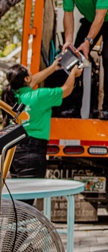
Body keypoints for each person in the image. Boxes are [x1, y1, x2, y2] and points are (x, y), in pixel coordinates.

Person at [2, 61, 82, 203]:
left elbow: (33, 81)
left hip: (14, 151)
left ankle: (14, 224)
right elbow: (66, 89)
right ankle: (17, 225)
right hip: (32, 152)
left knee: (18, 201)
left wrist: (53, 68)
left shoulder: (12, 95)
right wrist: (73, 73)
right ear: (26, 79)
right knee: (26, 204)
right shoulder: (40, 96)